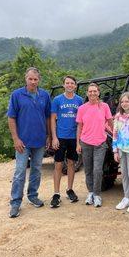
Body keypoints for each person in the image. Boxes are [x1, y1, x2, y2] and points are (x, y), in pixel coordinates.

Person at [7, 67, 51, 218]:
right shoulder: (17, 95)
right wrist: (15, 139)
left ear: (39, 80)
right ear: (25, 79)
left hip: (39, 140)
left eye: (35, 79)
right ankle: (15, 203)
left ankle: (33, 196)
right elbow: (11, 118)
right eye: (30, 79)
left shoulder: (44, 95)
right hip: (22, 142)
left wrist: (49, 136)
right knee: (20, 172)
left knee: (37, 170)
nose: (33, 82)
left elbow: (47, 117)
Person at [76, 83, 113, 207]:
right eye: (90, 91)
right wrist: (78, 143)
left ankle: (97, 194)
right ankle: (90, 192)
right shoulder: (82, 108)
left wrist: (117, 136)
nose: (92, 93)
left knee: (97, 170)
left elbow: (110, 122)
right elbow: (79, 127)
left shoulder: (104, 106)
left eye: (95, 91)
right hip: (85, 143)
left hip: (100, 143)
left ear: (98, 92)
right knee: (88, 170)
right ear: (87, 93)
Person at [50, 75, 83, 207]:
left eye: (72, 83)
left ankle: (69, 189)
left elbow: (81, 121)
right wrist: (54, 137)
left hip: (74, 137)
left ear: (75, 85)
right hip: (60, 137)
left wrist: (79, 140)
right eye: (67, 83)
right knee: (58, 165)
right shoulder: (57, 100)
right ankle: (56, 193)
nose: (69, 85)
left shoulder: (79, 100)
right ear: (63, 85)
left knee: (71, 164)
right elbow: (52, 119)